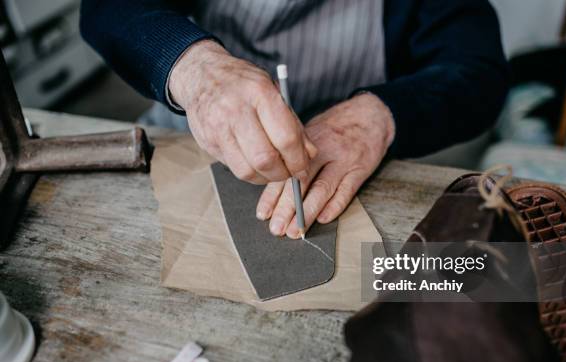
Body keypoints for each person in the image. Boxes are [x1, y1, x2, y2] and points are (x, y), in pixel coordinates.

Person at [80, 0, 509, 239]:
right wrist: (197, 72)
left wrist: (378, 115)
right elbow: (104, 8)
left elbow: (478, 70)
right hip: (191, 131)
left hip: (347, 160)